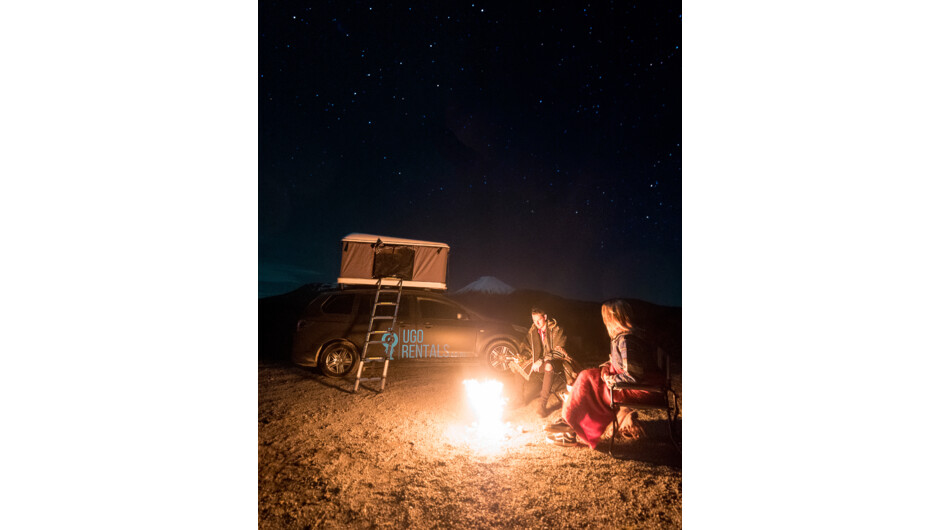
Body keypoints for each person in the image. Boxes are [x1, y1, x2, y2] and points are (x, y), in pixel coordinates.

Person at [547, 299, 661, 448]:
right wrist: (606, 367)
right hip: (634, 383)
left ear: (613, 319)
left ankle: (571, 426)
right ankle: (570, 423)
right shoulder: (623, 337)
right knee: (587, 377)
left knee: (591, 385)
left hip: (641, 389)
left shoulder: (627, 341)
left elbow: (633, 375)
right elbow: (619, 362)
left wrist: (611, 379)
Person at [519, 307, 579, 417]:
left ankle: (542, 406)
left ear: (545, 317)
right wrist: (522, 356)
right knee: (518, 365)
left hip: (558, 362)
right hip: (539, 362)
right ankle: (518, 400)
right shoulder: (533, 331)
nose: (536, 323)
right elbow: (526, 347)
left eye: (539, 319)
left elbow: (560, 351)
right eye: (534, 320)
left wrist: (542, 360)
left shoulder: (556, 329)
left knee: (548, 365)